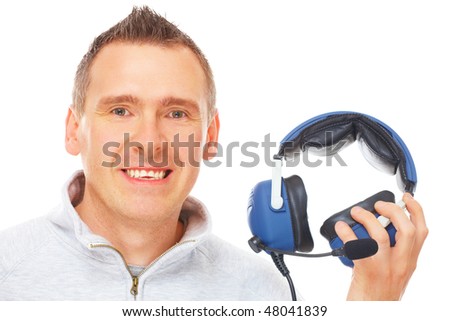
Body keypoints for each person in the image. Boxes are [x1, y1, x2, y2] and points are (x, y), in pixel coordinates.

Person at [0, 6, 427, 301]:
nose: (149, 141)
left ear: (210, 135)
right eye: (120, 109)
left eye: (176, 112)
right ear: (75, 130)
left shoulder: (262, 290)